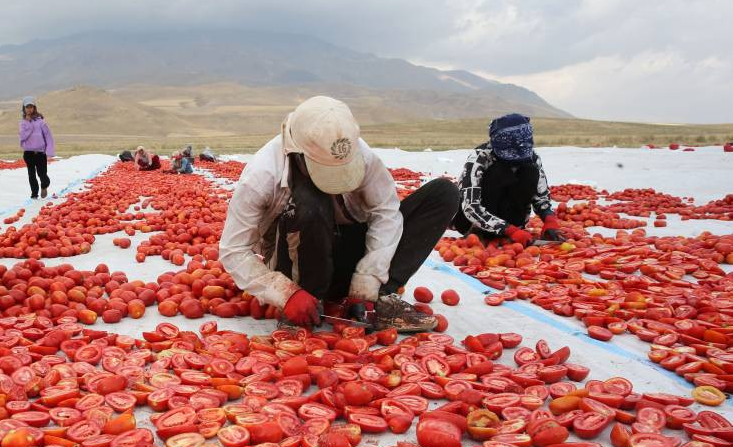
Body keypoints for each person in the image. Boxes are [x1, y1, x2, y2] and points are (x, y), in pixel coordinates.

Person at [220, 96, 458, 333]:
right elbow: (233, 250)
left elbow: (385, 213)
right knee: (310, 199)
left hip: (349, 250)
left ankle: (378, 299)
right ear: (298, 154)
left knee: (443, 193)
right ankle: (311, 300)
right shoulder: (262, 174)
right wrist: (284, 292)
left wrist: (368, 281)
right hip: (298, 260)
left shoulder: (360, 154)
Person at [452, 114, 565, 245]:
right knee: (499, 171)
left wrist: (549, 219)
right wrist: (509, 230)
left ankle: (509, 229)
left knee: (530, 170)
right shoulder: (480, 157)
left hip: (512, 221)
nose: (515, 162)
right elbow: (471, 206)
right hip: (472, 221)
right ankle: (482, 232)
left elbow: (541, 195)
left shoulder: (531, 157)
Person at [19, 95, 55, 199]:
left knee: (42, 175)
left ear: (34, 108)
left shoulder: (41, 122)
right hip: (28, 153)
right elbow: (23, 136)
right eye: (27, 107)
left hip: (40, 153)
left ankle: (44, 185)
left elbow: (48, 136)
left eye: (31, 107)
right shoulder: (23, 123)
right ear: (24, 109)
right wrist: (29, 123)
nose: (29, 109)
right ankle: (34, 194)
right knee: (31, 175)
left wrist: (49, 151)